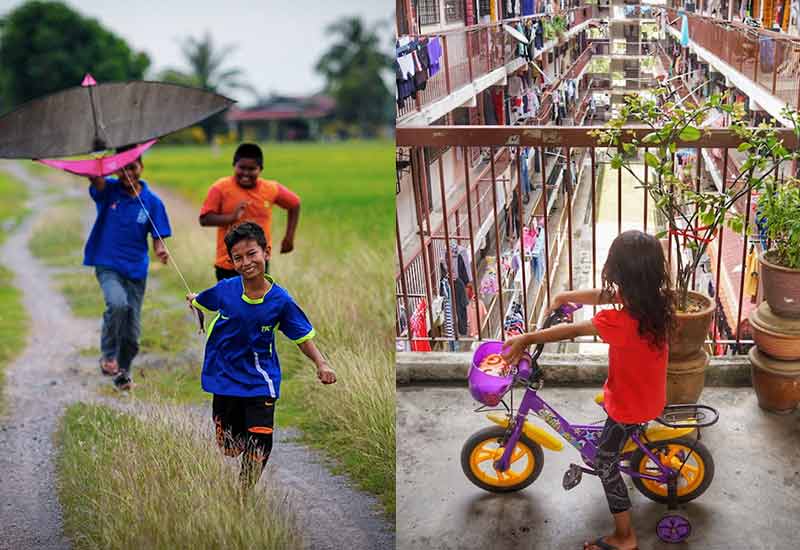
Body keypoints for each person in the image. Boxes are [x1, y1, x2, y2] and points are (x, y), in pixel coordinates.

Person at [502, 230, 674, 550]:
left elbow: (572, 330)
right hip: (646, 392)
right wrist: (568, 297)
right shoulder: (653, 300)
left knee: (604, 463)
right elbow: (605, 296)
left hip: (631, 405)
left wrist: (526, 338)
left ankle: (625, 537)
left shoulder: (619, 321)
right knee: (611, 432)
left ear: (620, 273)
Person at [187, 222, 336, 488]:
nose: (246, 262)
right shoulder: (225, 289)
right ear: (231, 262)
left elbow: (301, 336)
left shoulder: (281, 301)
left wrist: (321, 363)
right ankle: (231, 438)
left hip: (260, 380)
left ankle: (243, 495)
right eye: (238, 258)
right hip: (224, 376)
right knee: (230, 448)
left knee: (261, 439)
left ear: (266, 252)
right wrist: (194, 299)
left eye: (252, 254)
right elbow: (201, 300)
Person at [85, 145, 172, 390]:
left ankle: (122, 372)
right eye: (121, 169)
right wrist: (97, 163)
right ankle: (108, 355)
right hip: (107, 264)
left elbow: (158, 235)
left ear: (141, 167)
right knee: (117, 304)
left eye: (132, 167)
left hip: (136, 271)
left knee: (132, 334)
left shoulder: (152, 202)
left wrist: (160, 249)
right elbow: (97, 181)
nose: (127, 174)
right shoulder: (109, 190)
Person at [199, 143, 300, 281]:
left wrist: (289, 237)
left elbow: (294, 204)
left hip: (259, 261)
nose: (246, 173)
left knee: (259, 301)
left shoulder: (270, 189)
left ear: (261, 169)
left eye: (252, 169)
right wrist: (231, 218)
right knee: (231, 303)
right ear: (234, 165)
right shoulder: (221, 188)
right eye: (242, 168)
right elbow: (204, 219)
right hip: (229, 264)